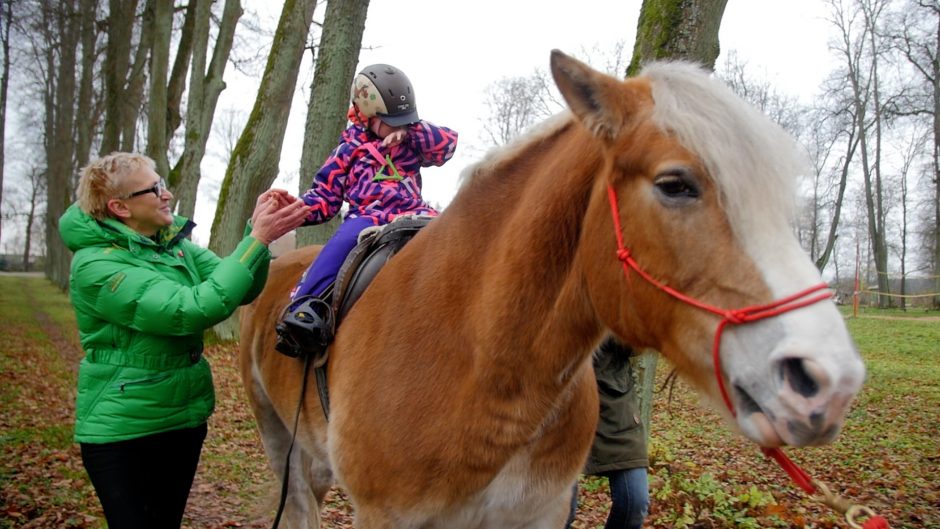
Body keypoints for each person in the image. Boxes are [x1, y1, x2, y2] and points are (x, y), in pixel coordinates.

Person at [58, 152, 309, 529]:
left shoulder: (170, 244)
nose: (167, 194)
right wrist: (258, 239)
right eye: (154, 187)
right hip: (125, 431)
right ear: (119, 207)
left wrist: (253, 233)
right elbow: (190, 310)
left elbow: (237, 287)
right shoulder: (97, 265)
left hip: (182, 419)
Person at [276, 63, 458, 354]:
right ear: (367, 116)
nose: (400, 125)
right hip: (368, 217)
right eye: (393, 120)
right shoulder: (348, 149)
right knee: (339, 246)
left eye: (405, 119)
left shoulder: (412, 140)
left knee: (456, 231)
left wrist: (411, 132)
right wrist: (296, 209)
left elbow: (447, 146)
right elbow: (326, 195)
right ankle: (304, 308)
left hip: (416, 213)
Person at [567, 338, 650, 529]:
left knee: (634, 501)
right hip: (560, 403)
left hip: (615, 401)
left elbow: (640, 338)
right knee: (561, 513)